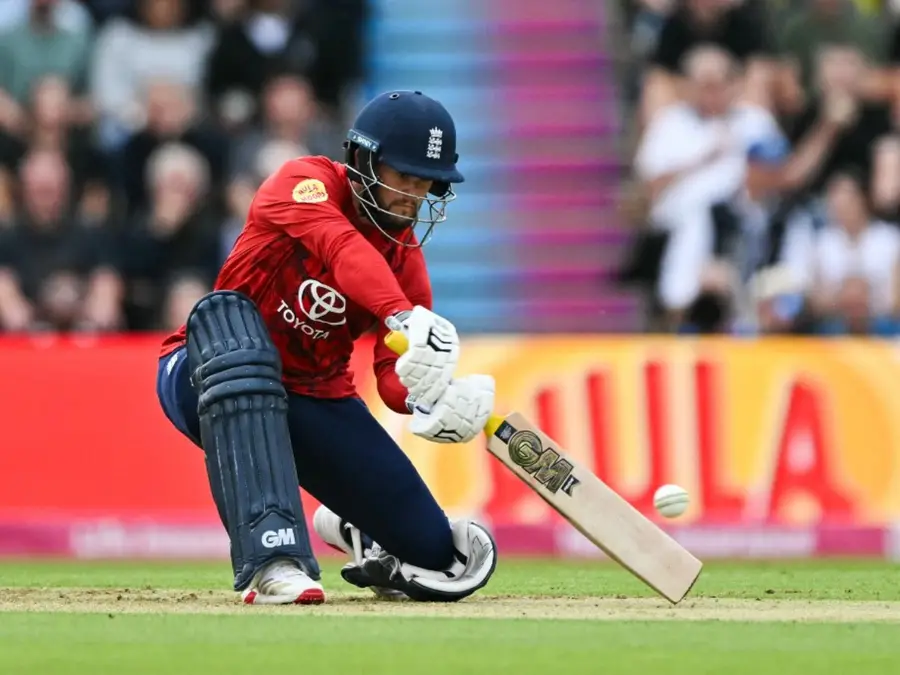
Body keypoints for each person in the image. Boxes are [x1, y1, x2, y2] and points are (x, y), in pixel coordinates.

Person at [155, 90, 498, 605]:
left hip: (313, 397)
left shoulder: (407, 264)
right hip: (204, 369)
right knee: (246, 359)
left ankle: (351, 526)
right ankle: (275, 560)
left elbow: (389, 375)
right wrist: (401, 314)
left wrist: (432, 394)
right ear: (361, 160)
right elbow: (342, 249)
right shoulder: (303, 182)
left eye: (426, 182)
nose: (414, 195)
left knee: (430, 551)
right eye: (403, 176)